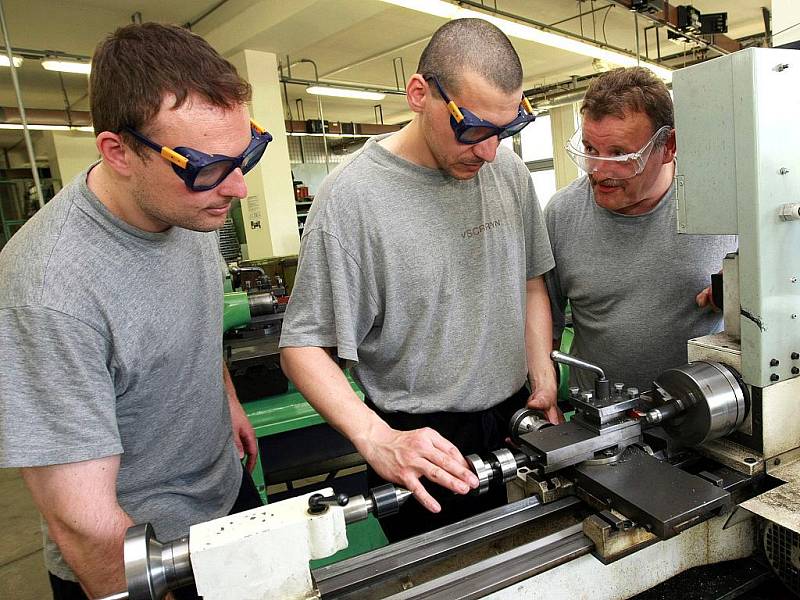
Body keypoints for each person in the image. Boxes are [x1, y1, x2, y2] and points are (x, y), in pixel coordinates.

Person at [0, 23, 268, 599]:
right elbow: (83, 521)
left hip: (226, 495)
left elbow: (190, 319)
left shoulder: (191, 209)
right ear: (118, 152)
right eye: (207, 168)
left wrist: (227, 400)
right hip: (141, 552)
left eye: (245, 154)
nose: (238, 188)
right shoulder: (48, 291)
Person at [279, 18, 559, 543]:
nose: (489, 152)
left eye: (505, 130)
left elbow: (529, 283)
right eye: (473, 129)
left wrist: (540, 367)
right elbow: (302, 347)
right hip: (423, 441)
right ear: (419, 94)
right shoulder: (352, 200)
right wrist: (376, 437)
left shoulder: (510, 176)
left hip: (515, 418)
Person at [545, 66, 738, 394]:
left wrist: (741, 293)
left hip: (709, 413)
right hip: (599, 421)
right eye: (590, 150)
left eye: (620, 154)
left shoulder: (722, 204)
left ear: (668, 146)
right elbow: (546, 327)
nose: (598, 171)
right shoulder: (561, 215)